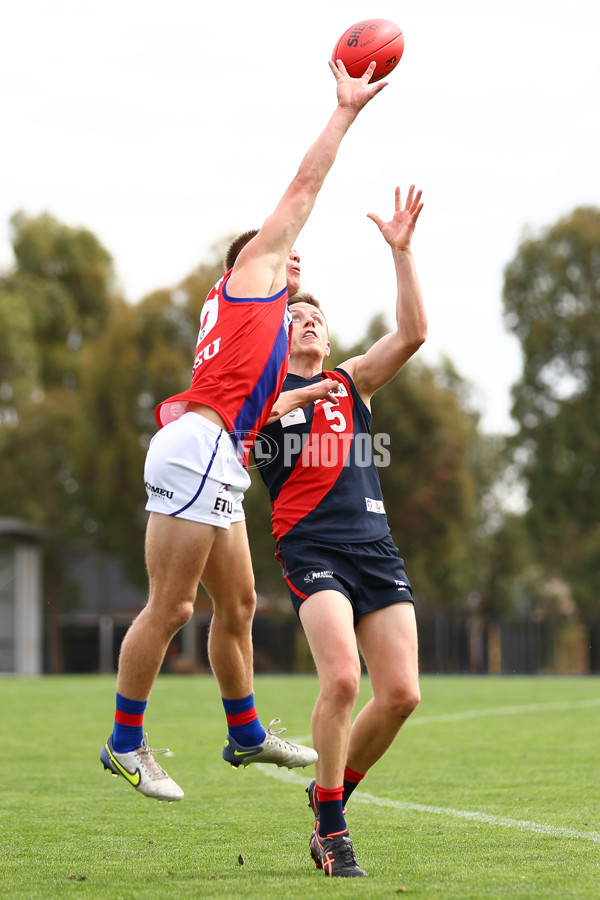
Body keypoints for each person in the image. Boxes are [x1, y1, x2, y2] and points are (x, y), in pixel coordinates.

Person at [99, 59, 388, 803]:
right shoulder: (253, 274)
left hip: (215, 454)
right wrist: (345, 112)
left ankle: (245, 732)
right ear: (247, 262)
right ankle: (125, 742)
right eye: (275, 246)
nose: (291, 251)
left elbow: (256, 411)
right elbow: (303, 187)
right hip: (198, 451)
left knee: (239, 605)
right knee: (173, 607)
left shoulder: (249, 324)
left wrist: (307, 395)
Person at [257, 185, 426, 875]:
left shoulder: (351, 384)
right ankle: (332, 831)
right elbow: (252, 418)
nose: (307, 322)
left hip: (375, 551)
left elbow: (413, 334)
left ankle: (329, 795)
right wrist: (278, 293)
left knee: (402, 695)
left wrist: (402, 253)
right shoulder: (260, 396)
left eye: (315, 316)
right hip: (312, 549)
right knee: (343, 680)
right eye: (295, 317)